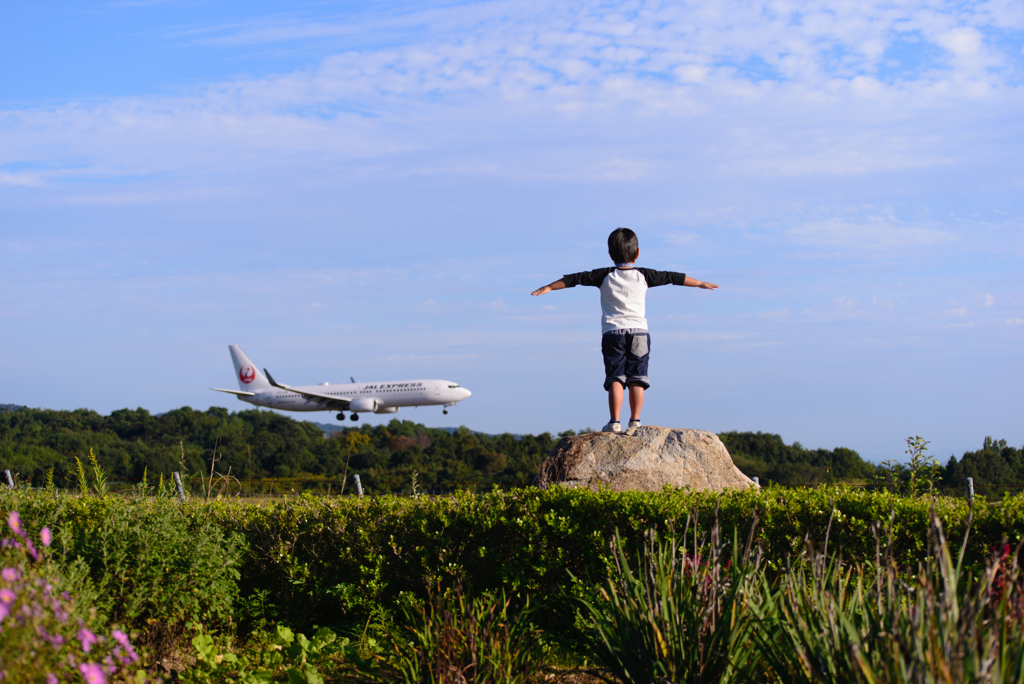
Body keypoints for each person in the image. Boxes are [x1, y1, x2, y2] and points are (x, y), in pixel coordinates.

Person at [531, 227, 718, 433]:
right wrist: (700, 283)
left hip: (612, 333)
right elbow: (673, 277)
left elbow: (573, 279)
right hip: (639, 332)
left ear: (610, 254)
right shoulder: (645, 275)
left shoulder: (603, 275)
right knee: (638, 377)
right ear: (637, 253)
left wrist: (549, 287)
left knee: (616, 378)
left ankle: (614, 423)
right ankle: (635, 421)